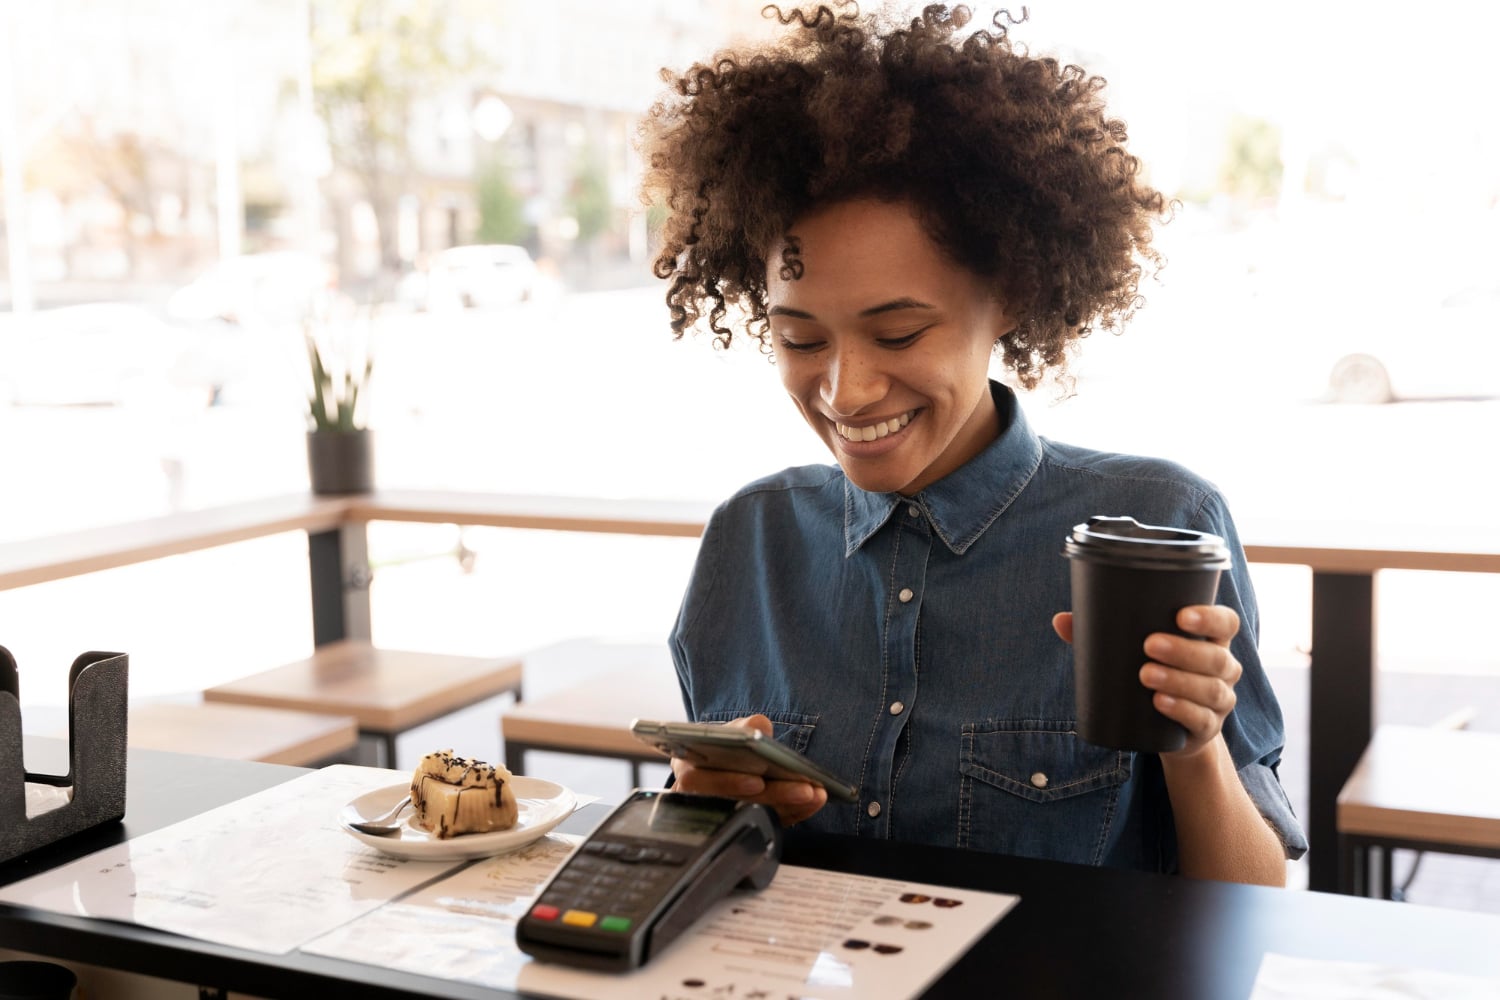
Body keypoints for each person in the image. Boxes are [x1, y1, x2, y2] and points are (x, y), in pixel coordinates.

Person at [638, 3, 1307, 886]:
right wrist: (703, 805)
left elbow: (1253, 896)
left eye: (899, 332)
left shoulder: (1154, 527)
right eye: (800, 340)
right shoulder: (749, 541)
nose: (845, 391)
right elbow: (717, 865)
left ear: (1015, 295)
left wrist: (1193, 742)